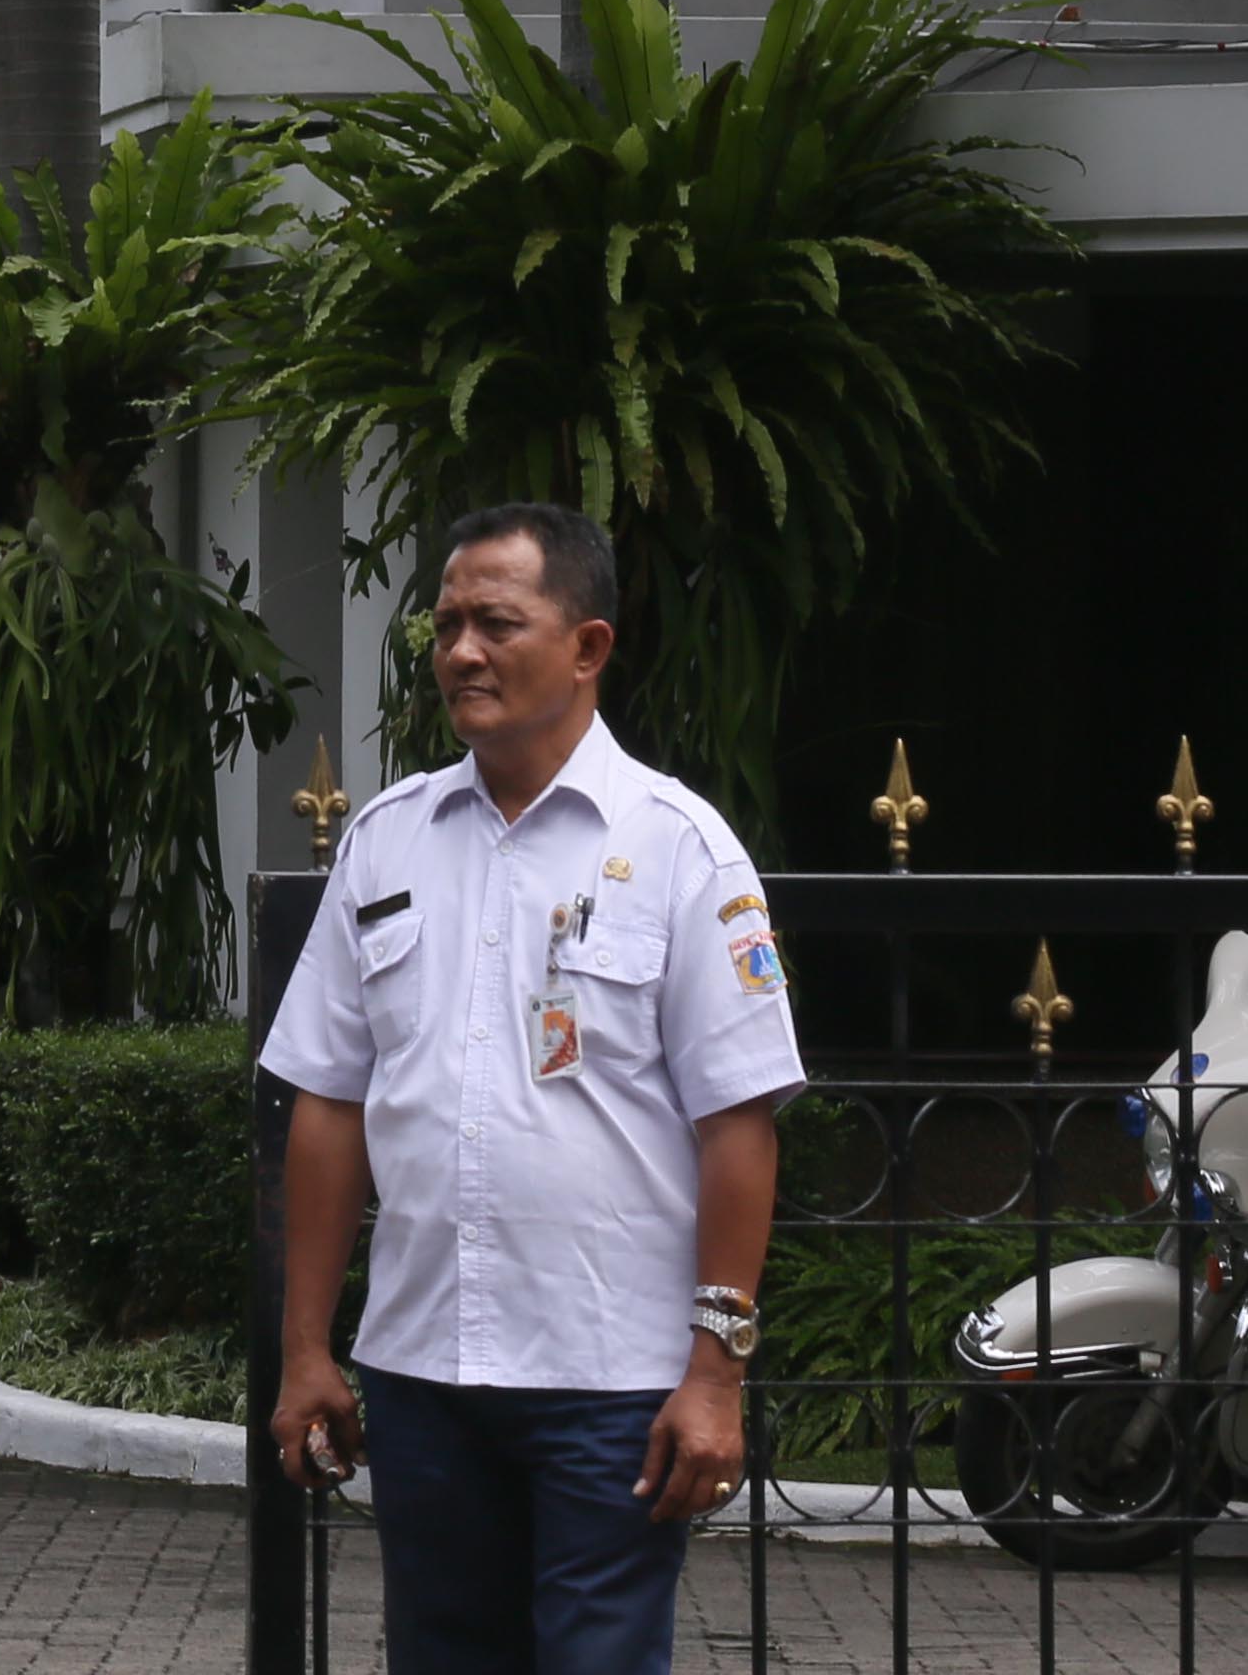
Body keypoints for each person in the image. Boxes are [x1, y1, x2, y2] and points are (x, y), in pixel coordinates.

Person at [262, 503, 797, 1675]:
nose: (462, 651)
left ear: (589, 646)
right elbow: (327, 1106)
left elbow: (739, 1124)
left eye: (497, 622)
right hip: (423, 1372)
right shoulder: (387, 841)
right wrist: (310, 1349)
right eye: (447, 624)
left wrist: (715, 1376)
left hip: (609, 1382)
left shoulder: (679, 849)